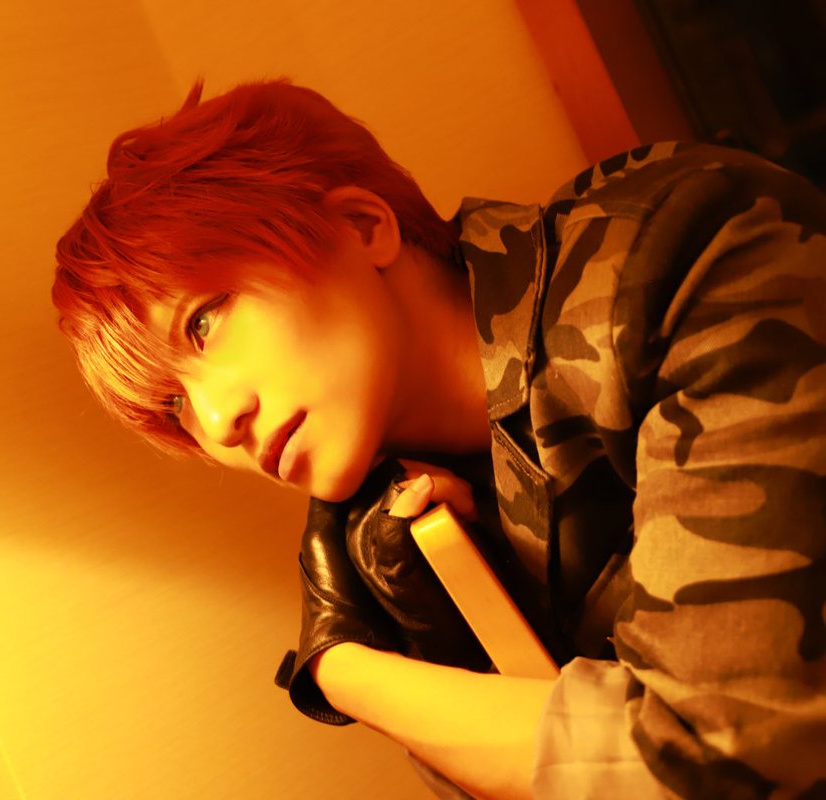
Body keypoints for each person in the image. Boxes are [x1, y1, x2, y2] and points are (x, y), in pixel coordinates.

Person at [51, 79, 826, 799]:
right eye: (175, 405)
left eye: (203, 322)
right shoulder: (405, 517)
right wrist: (447, 627)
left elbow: (712, 754)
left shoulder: (681, 253)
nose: (217, 420)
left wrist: (342, 671)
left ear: (363, 226)